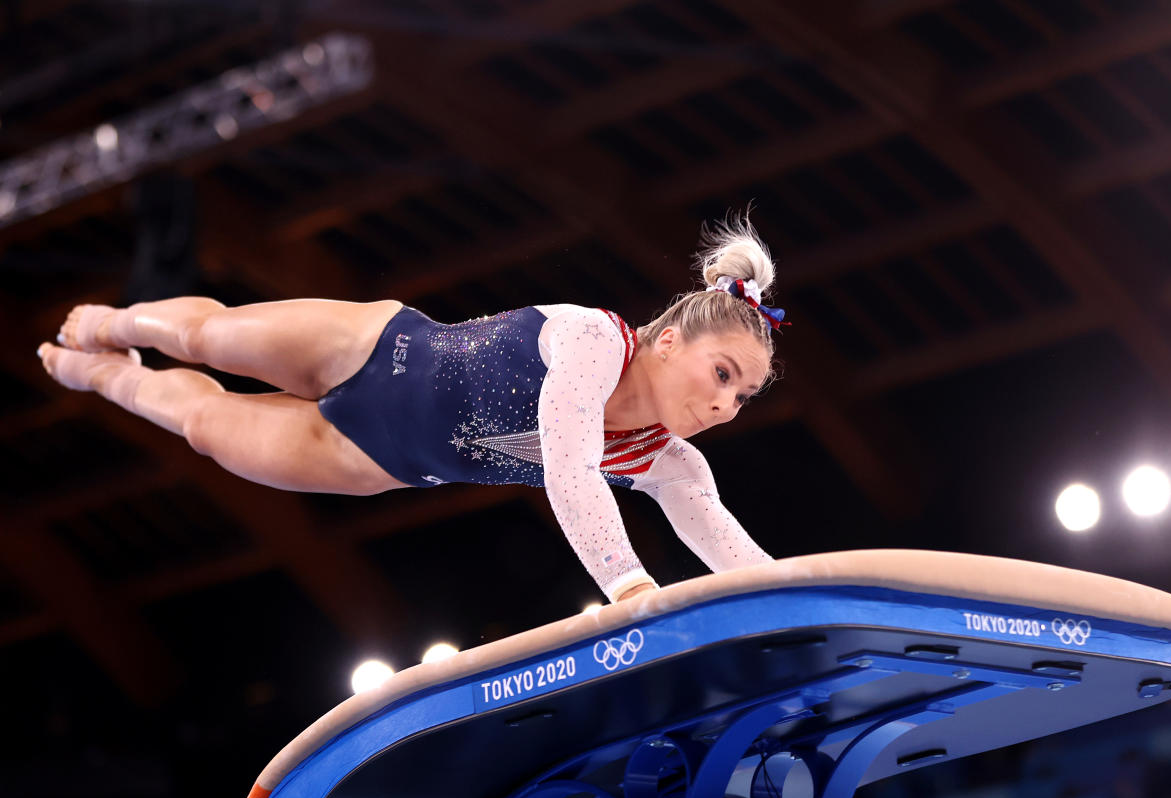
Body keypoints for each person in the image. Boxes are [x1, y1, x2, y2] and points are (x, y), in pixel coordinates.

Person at [37, 212, 788, 604]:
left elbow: (743, 564)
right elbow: (569, 466)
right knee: (205, 335)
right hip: (373, 346)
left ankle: (105, 379)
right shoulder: (597, 341)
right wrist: (629, 587)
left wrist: (807, 606)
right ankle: (117, 323)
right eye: (723, 374)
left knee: (202, 426)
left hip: (371, 458)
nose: (725, 406)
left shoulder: (670, 463)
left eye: (742, 396)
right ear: (666, 342)